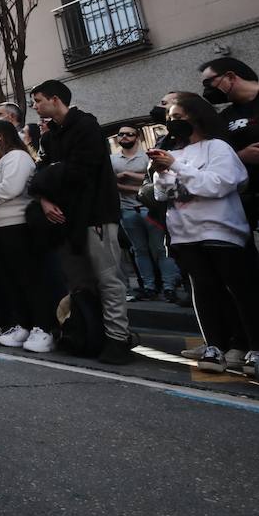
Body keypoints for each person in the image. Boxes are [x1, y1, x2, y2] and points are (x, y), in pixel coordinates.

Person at [151, 93, 259, 375]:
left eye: (177, 117)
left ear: (196, 116)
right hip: (186, 234)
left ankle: (254, 348)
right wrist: (162, 172)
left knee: (241, 291)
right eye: (169, 119)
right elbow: (165, 194)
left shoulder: (218, 148)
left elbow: (217, 185)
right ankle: (215, 346)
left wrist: (175, 167)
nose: (172, 123)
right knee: (205, 290)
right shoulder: (175, 152)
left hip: (222, 231)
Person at [31, 79, 134, 364]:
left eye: (38, 100)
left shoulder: (86, 126)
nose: (35, 107)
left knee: (107, 278)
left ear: (55, 99)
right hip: (65, 219)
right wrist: (44, 198)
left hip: (96, 215)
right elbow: (39, 174)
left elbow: (79, 171)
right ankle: (91, 334)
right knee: (80, 281)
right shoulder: (50, 137)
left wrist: (51, 175)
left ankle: (118, 339)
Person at [0, 120, 55, 352]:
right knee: (9, 279)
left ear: (0, 135)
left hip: (16, 225)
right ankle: (22, 324)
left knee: (28, 277)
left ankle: (43, 327)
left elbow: (12, 187)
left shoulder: (17, 157)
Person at [113, 124, 180, 302]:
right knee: (139, 250)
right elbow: (112, 184)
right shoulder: (112, 159)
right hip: (127, 210)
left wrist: (127, 177)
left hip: (150, 209)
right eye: (121, 134)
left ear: (138, 137)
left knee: (160, 248)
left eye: (129, 134)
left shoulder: (147, 157)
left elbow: (153, 181)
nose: (124, 137)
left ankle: (169, 286)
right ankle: (149, 287)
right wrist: (137, 184)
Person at [199, 57, 259, 226]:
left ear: (231, 77)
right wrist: (241, 156)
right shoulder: (224, 117)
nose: (206, 90)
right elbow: (214, 157)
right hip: (249, 200)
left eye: (208, 82)